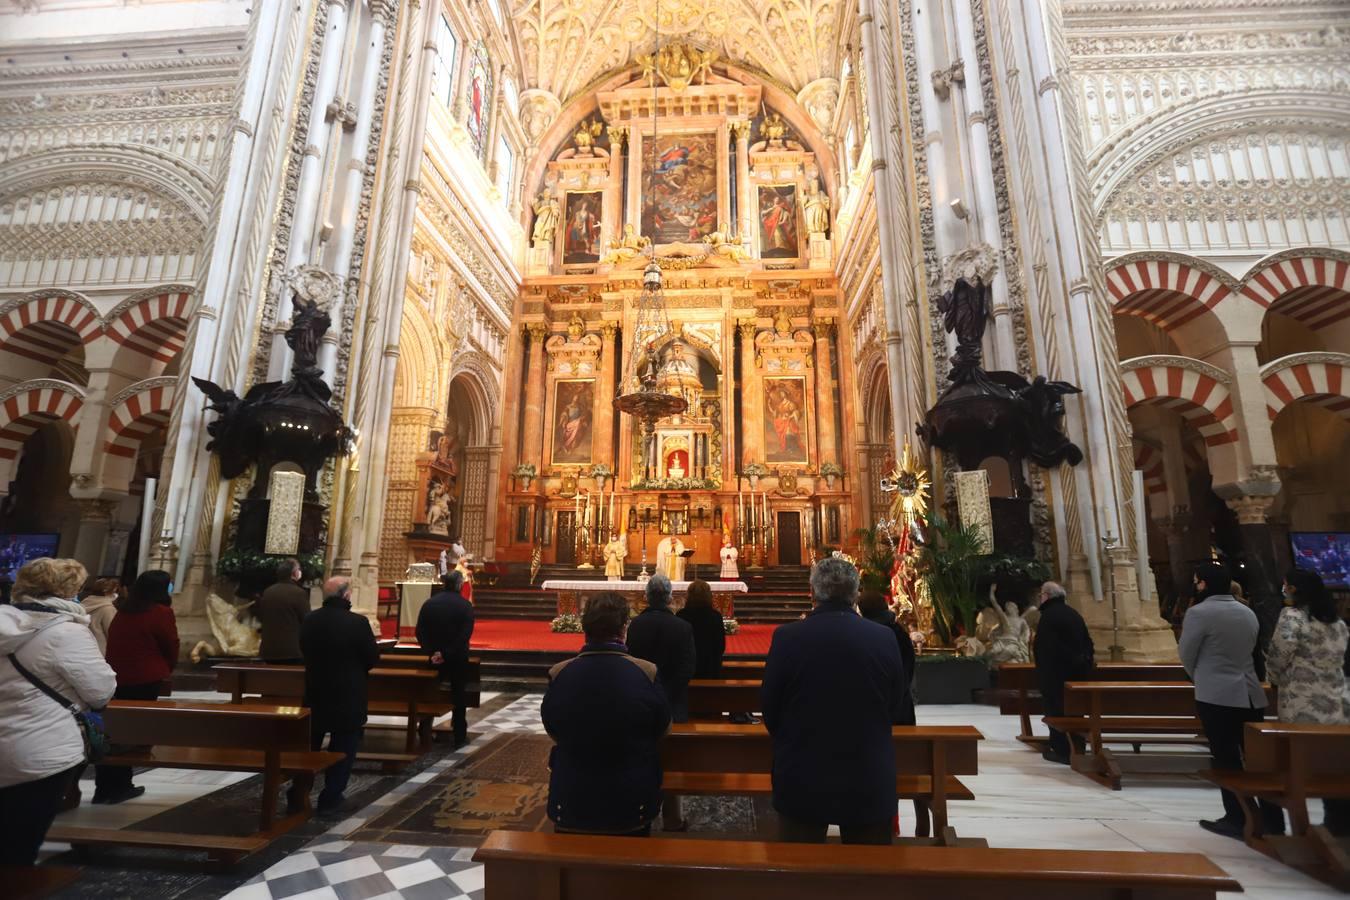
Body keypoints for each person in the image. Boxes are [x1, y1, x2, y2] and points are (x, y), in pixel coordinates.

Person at [761, 557, 905, 845]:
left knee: (799, 874)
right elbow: (895, 703)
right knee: (868, 876)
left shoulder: (788, 637)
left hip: (802, 771)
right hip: (867, 771)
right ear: (855, 594)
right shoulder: (884, 638)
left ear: (811, 593)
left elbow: (770, 707)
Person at [0, 558, 116, 864]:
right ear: (69, 591)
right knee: (18, 847)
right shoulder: (67, 634)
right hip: (39, 752)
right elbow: (100, 691)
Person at [541, 593, 670, 836]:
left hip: (571, 798)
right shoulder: (646, 672)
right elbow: (662, 727)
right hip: (631, 800)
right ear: (624, 628)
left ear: (584, 627)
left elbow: (552, 727)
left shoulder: (560, 673)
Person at [1180, 561, 1283, 839]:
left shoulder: (1199, 613)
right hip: (1249, 692)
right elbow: (1253, 651)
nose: (1196, 585)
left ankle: (1236, 817)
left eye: (1197, 580)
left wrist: (1202, 678)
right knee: (1257, 758)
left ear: (1204, 583)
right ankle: (1273, 820)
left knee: (1226, 759)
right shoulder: (1246, 611)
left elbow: (1187, 654)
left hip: (1216, 695)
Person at [1267, 568, 1350, 835]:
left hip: (1302, 700)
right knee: (1334, 763)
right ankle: (1337, 822)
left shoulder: (1293, 617)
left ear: (1293, 589)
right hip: (1336, 700)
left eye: (1286, 585)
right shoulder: (1336, 622)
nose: (1284, 589)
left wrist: (1275, 678)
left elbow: (1280, 655)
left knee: (1300, 763)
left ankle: (1302, 829)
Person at [296, 577, 378, 814]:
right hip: (347, 694)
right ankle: (332, 796)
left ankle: (298, 792)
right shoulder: (358, 623)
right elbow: (371, 658)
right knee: (344, 745)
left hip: (316, 692)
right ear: (346, 596)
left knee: (310, 744)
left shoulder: (310, 620)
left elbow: (303, 649)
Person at [96, 569, 178, 804]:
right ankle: (121, 785)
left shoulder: (123, 611)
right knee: (133, 735)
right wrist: (166, 668)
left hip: (117, 677)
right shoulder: (160, 612)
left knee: (114, 733)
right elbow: (170, 644)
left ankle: (106, 786)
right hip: (145, 678)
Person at [857, 588, 927, 837]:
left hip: (878, 712)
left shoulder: (866, 634)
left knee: (877, 770)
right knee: (895, 767)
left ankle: (884, 822)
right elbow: (906, 673)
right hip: (899, 709)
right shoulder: (898, 632)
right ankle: (889, 823)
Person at [1032, 581, 1094, 764]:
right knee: (1076, 711)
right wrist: (1085, 662)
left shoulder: (1049, 616)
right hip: (1078, 674)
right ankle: (1078, 746)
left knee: (1056, 711)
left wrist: (1043, 672)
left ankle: (1062, 751)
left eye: (1041, 594)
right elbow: (1088, 642)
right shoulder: (1074, 614)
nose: (1040, 598)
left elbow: (1046, 648)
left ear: (1047, 596)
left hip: (1056, 676)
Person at [415, 570, 475, 747]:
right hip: (457, 657)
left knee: (430, 692)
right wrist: (447, 653)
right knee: (458, 694)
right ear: (458, 585)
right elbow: (465, 635)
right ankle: (459, 733)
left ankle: (424, 728)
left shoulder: (429, 604)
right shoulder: (465, 606)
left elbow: (419, 632)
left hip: (434, 658)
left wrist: (433, 652)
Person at [627, 574, 696, 722]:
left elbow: (631, 661)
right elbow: (688, 667)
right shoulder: (683, 627)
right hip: (673, 703)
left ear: (646, 597)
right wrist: (668, 692)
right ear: (670, 598)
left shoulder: (636, 625)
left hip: (642, 700)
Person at [256, 558, 310, 663]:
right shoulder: (299, 593)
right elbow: (307, 620)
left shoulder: (268, 591)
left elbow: (261, 616)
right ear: (294, 573)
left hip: (268, 649)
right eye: (298, 569)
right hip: (291, 651)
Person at [676, 579, 725, 679]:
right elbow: (720, 646)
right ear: (708, 596)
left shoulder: (681, 615)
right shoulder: (715, 616)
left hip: (686, 668)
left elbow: (677, 644)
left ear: (688, 595)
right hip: (710, 667)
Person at [80, 576, 120, 655]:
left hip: (82, 648)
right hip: (99, 653)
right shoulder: (108, 609)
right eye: (115, 591)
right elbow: (113, 634)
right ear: (107, 592)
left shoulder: (83, 604)